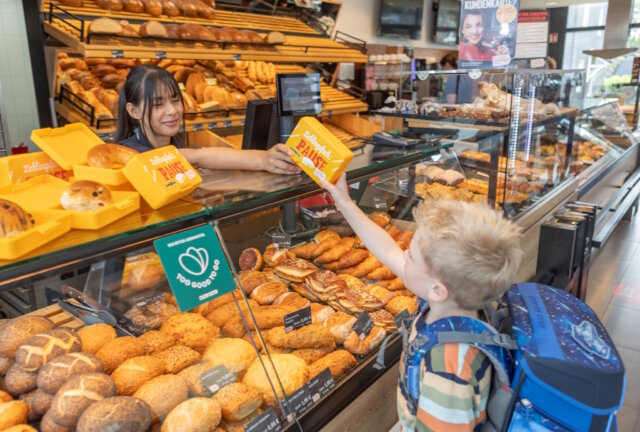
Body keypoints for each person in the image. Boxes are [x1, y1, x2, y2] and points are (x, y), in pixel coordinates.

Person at [321, 175, 523, 432]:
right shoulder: (453, 304)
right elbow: (387, 250)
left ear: (438, 289)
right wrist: (345, 202)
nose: (403, 254)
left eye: (412, 257)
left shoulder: (450, 366)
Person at [115, 65, 300, 175]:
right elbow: (199, 156)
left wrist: (267, 159)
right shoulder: (129, 158)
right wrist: (263, 159)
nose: (172, 111)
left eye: (174, 100)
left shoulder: (173, 144)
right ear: (133, 111)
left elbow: (199, 156)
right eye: (158, 105)